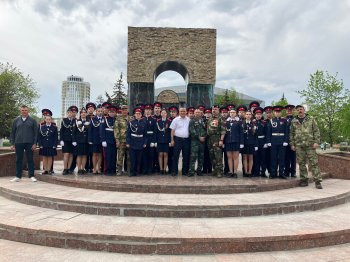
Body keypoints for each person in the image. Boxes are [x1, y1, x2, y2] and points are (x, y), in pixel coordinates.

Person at [289, 105, 323, 189]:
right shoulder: (294, 121)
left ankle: (318, 181)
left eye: (301, 109)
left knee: (314, 163)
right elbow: (291, 133)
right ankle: (304, 180)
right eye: (298, 110)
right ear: (296, 111)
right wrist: (292, 144)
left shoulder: (311, 119)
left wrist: (316, 142)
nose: (299, 111)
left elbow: (316, 131)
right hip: (299, 146)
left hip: (310, 145)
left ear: (304, 110)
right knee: (301, 163)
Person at [10, 105, 39, 182]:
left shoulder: (33, 120)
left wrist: (35, 143)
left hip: (29, 143)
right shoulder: (16, 120)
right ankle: (18, 176)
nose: (24, 111)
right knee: (18, 159)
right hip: (18, 142)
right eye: (22, 110)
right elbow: (13, 132)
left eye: (25, 110)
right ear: (20, 111)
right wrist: (12, 143)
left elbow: (36, 133)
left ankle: (31, 176)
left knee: (30, 159)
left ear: (28, 111)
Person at [266, 105, 288, 179]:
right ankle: (273, 173)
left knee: (282, 158)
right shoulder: (271, 120)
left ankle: (281, 173)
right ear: (274, 113)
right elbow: (268, 132)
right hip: (273, 141)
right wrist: (268, 141)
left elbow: (286, 132)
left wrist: (285, 140)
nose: (277, 113)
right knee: (273, 158)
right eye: (276, 112)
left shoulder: (284, 121)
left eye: (279, 112)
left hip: (282, 141)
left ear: (281, 113)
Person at [126, 107, 147, 177]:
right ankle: (132, 172)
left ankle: (137, 171)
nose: (138, 115)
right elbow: (128, 134)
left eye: (139, 114)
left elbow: (145, 135)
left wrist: (144, 143)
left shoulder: (144, 123)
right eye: (136, 114)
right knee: (132, 159)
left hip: (140, 142)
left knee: (138, 159)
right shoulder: (131, 123)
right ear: (134, 115)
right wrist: (128, 143)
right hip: (132, 142)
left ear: (141, 115)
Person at [170, 107, 191, 176]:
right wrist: (172, 140)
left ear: (186, 112)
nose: (182, 112)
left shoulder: (189, 120)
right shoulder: (175, 120)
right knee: (175, 156)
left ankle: (185, 171)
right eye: (181, 111)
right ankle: (174, 171)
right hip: (177, 140)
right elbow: (172, 130)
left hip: (186, 140)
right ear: (179, 112)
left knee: (186, 156)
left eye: (184, 111)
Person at [207, 105, 226, 178]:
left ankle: (220, 172)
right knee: (212, 156)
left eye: (215, 109)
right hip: (210, 139)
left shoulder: (221, 118)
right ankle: (215, 170)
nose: (214, 110)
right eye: (213, 109)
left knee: (218, 156)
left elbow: (223, 130)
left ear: (218, 110)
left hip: (217, 139)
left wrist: (221, 140)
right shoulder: (210, 118)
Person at [224, 108, 243, 178]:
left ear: (236, 113)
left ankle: (235, 172)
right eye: (231, 112)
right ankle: (230, 171)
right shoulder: (226, 122)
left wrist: (241, 143)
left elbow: (241, 133)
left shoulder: (239, 122)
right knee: (229, 157)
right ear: (229, 113)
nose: (232, 113)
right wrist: (223, 142)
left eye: (234, 112)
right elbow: (224, 132)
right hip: (228, 142)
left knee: (235, 157)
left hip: (236, 141)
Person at [114, 105, 132, 176]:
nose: (124, 111)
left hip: (130, 141)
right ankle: (119, 171)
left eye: (125, 109)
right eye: (123, 110)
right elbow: (116, 130)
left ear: (128, 110)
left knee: (129, 156)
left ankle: (128, 171)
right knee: (120, 157)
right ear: (121, 111)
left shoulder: (131, 118)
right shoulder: (118, 119)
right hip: (121, 140)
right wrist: (117, 140)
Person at [38, 110, 58, 175]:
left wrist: (55, 145)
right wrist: (40, 144)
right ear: (45, 120)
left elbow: (56, 137)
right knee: (44, 157)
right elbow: (39, 137)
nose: (48, 120)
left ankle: (49, 170)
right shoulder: (42, 127)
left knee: (50, 157)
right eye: (47, 119)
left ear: (51, 120)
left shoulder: (54, 127)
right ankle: (45, 170)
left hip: (51, 145)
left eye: (49, 119)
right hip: (44, 145)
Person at [188, 109, 206, 177]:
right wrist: (199, 137)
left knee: (201, 157)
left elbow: (206, 130)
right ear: (194, 113)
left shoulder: (203, 121)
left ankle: (199, 171)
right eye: (196, 112)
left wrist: (204, 137)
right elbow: (192, 131)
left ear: (201, 113)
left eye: (199, 112)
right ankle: (191, 171)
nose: (198, 113)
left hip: (202, 142)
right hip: (195, 142)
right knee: (193, 157)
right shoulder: (192, 121)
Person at [60, 106, 77, 175]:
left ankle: (69, 168)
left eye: (71, 112)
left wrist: (75, 140)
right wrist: (61, 140)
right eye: (69, 112)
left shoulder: (75, 121)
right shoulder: (64, 120)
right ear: (67, 113)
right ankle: (65, 168)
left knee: (71, 155)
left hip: (73, 141)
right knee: (66, 154)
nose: (70, 114)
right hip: (66, 140)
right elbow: (62, 131)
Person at [100, 105, 117, 175]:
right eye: (110, 112)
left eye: (113, 112)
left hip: (114, 141)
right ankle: (107, 170)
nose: (112, 113)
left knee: (114, 156)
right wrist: (103, 140)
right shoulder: (105, 119)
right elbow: (101, 130)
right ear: (108, 112)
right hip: (107, 141)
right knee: (107, 156)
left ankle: (113, 170)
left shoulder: (116, 120)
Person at [72, 108, 90, 174]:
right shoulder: (77, 121)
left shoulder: (89, 121)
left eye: (84, 112)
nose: (83, 114)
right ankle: (79, 169)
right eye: (82, 113)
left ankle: (83, 169)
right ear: (80, 114)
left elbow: (89, 132)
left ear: (86, 114)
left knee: (85, 155)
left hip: (86, 141)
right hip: (78, 141)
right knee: (79, 155)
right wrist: (74, 140)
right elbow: (74, 132)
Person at [88, 105, 103, 174]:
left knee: (100, 154)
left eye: (101, 111)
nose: (100, 112)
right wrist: (90, 140)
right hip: (94, 139)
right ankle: (94, 168)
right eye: (98, 111)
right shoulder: (93, 119)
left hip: (102, 140)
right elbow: (90, 131)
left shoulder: (104, 119)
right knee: (94, 154)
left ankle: (99, 168)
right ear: (96, 112)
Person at [252, 107, 268, 177]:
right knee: (256, 158)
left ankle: (263, 172)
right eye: (257, 114)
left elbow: (267, 133)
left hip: (262, 141)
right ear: (255, 115)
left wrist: (266, 142)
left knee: (263, 158)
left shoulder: (264, 123)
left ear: (261, 115)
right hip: (255, 142)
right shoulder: (252, 123)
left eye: (259, 114)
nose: (258, 115)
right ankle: (256, 172)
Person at [242, 111, 258, 177]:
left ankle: (250, 171)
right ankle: (245, 172)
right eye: (247, 114)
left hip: (252, 143)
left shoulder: (254, 124)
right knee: (245, 158)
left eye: (249, 114)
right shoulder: (242, 123)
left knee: (251, 158)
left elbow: (256, 135)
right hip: (244, 143)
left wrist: (256, 145)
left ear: (251, 116)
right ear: (245, 115)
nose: (248, 115)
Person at [155, 108, 171, 175]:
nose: (163, 114)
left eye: (165, 113)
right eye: (162, 113)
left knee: (165, 154)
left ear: (166, 114)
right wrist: (155, 141)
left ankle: (165, 169)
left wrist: (170, 141)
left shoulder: (169, 121)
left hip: (166, 141)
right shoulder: (158, 121)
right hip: (159, 140)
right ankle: (161, 169)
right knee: (160, 154)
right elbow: (156, 132)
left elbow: (170, 132)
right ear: (161, 114)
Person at [142, 104, 157, 175]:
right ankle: (144, 169)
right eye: (146, 110)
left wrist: (153, 141)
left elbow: (155, 131)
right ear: (144, 111)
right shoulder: (142, 119)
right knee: (144, 155)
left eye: (149, 110)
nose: (147, 111)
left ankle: (150, 169)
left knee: (151, 155)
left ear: (151, 111)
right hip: (144, 139)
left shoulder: (154, 120)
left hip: (151, 139)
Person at [284, 104, 297, 177]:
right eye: (288, 110)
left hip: (293, 141)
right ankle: (286, 171)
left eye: (290, 110)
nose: (289, 111)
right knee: (286, 157)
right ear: (286, 111)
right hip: (285, 141)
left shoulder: (296, 120)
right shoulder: (283, 119)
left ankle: (293, 172)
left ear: (293, 111)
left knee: (293, 158)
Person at [202, 108, 212, 174]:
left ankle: (210, 169)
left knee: (210, 155)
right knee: (204, 155)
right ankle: (204, 169)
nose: (208, 114)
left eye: (209, 113)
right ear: (204, 114)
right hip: (204, 140)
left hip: (211, 140)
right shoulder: (202, 121)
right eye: (206, 113)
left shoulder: (213, 121)